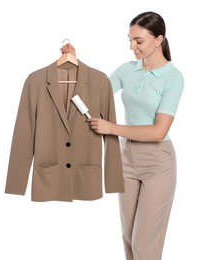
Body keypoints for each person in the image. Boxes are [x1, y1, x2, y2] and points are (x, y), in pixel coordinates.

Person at [61, 11, 184, 260]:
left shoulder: (173, 78)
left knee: (144, 244)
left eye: (138, 41)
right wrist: (75, 62)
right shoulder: (127, 70)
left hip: (157, 162)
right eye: (130, 40)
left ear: (159, 39)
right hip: (126, 158)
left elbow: (159, 130)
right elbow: (95, 91)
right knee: (129, 239)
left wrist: (112, 128)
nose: (132, 46)